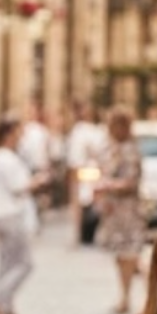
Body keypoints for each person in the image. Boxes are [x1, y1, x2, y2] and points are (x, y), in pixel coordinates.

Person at [0, 114, 38, 314]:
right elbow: (18, 187)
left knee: (6, 263)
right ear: (8, 133)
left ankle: (7, 308)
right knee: (24, 263)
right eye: (18, 132)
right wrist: (38, 181)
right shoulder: (7, 158)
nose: (21, 136)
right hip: (11, 214)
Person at [96, 106, 146, 314]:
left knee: (129, 254)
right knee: (122, 256)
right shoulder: (112, 148)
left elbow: (131, 181)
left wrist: (108, 186)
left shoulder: (130, 150)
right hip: (114, 210)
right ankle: (126, 295)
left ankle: (133, 296)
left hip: (127, 210)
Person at [65, 100, 105, 246]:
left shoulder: (97, 130)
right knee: (78, 200)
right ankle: (77, 232)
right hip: (80, 169)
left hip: (92, 169)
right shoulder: (78, 130)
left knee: (96, 198)